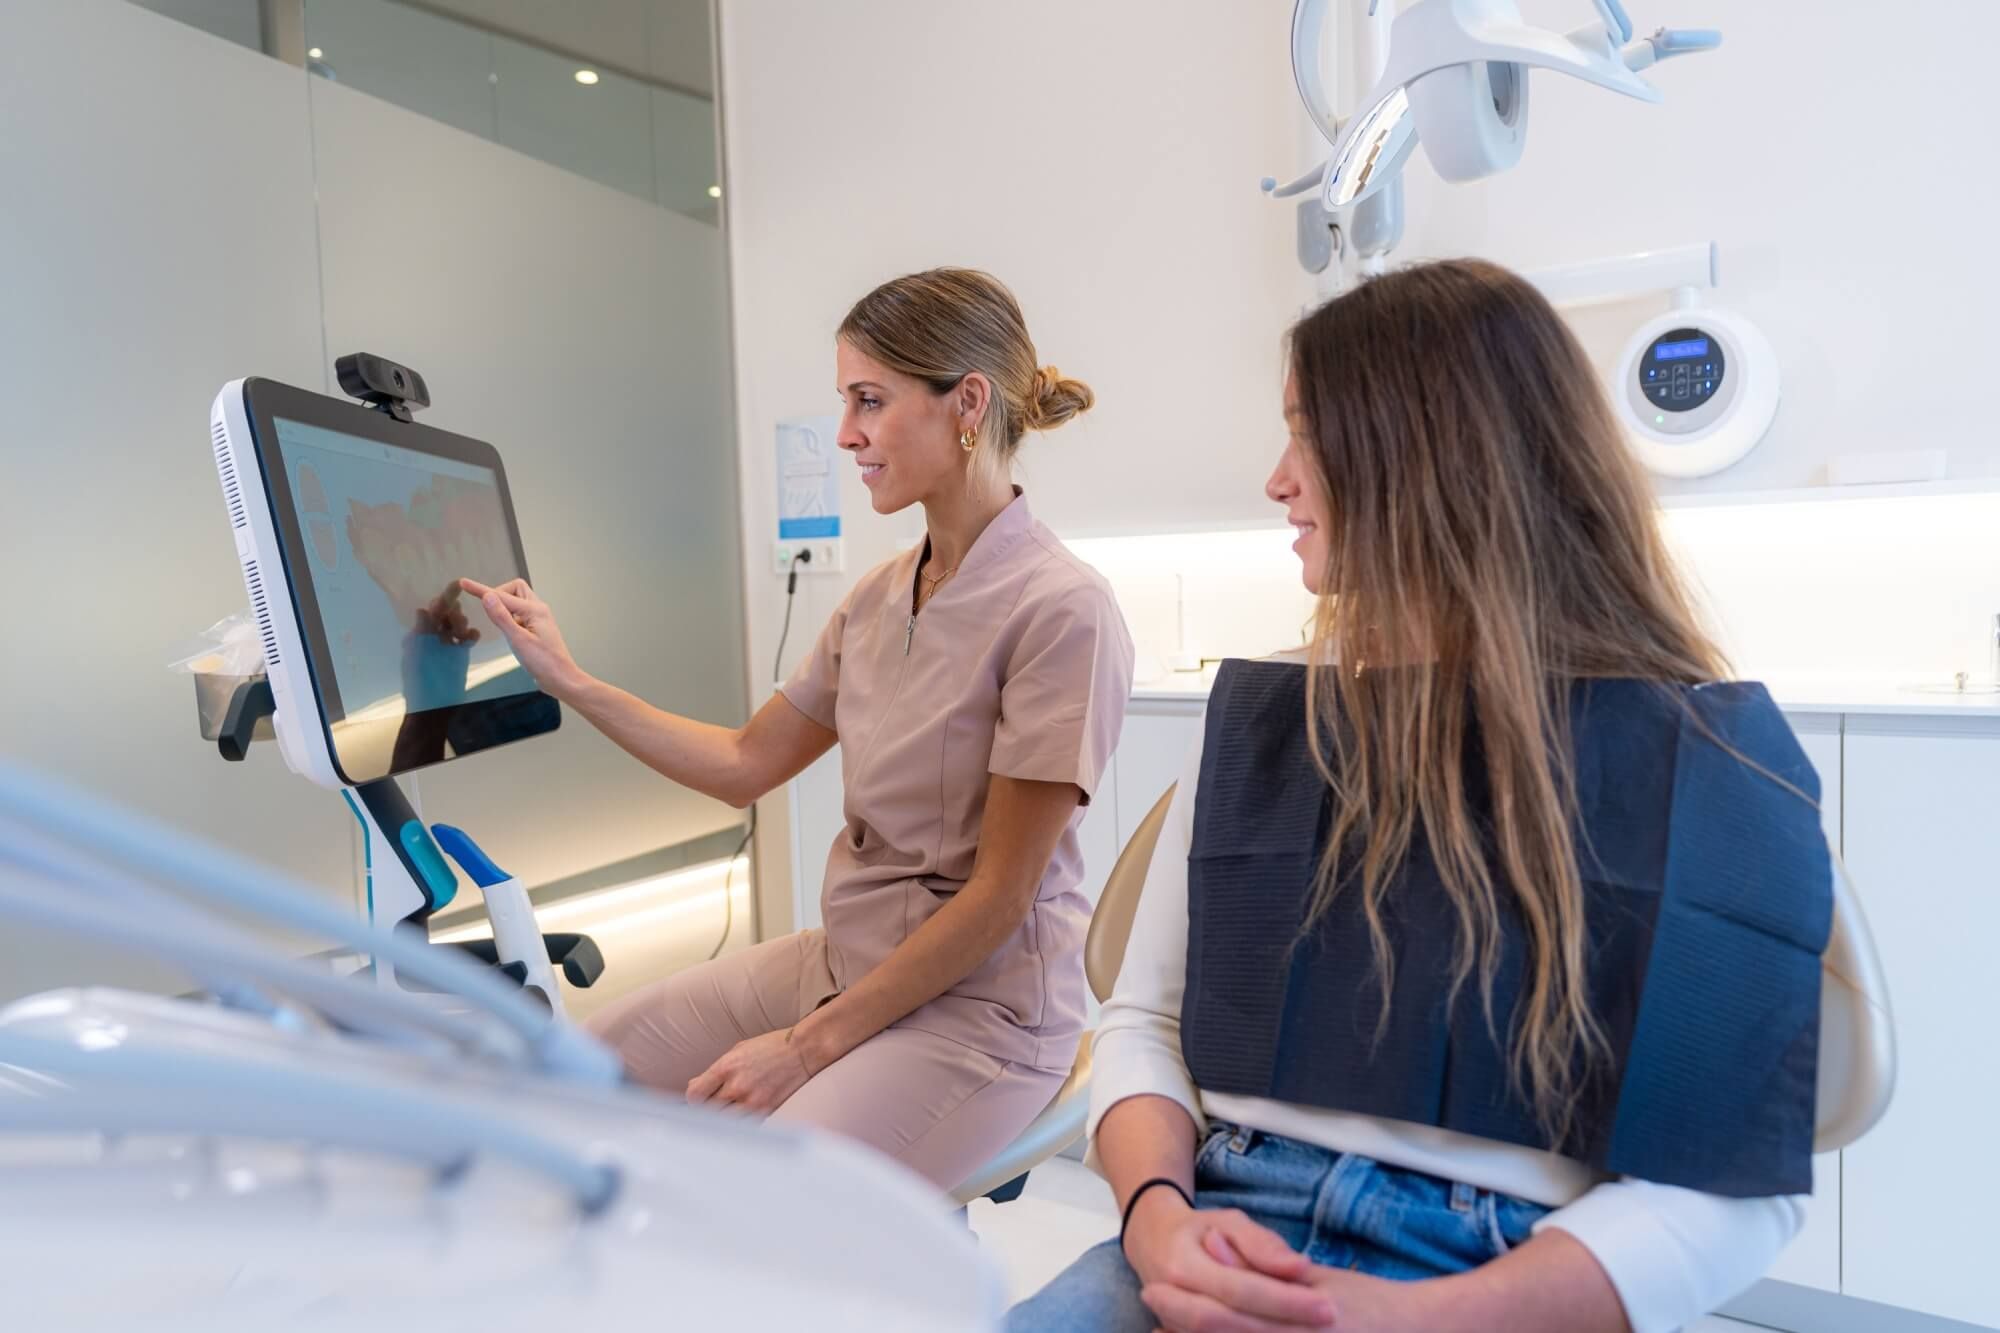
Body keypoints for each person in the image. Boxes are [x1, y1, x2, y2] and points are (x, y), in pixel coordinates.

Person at [1010, 259, 1830, 1332]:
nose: (1276, 480)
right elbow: (1144, 1022)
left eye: (1306, 434)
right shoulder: (1267, 724)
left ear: (1422, 454)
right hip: (1219, 1215)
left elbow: (1730, 1182)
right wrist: (1155, 1216)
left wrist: (1433, 1314)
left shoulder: (1700, 761)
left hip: (1504, 1260)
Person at [464, 267, 1135, 1192]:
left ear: (967, 403)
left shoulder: (1061, 610)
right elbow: (745, 762)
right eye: (846, 401)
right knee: (572, 1074)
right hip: (845, 961)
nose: (846, 432)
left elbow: (998, 899)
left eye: (870, 400)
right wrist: (571, 680)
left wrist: (803, 1048)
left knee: (762, 1188)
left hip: (984, 1009)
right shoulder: (877, 598)